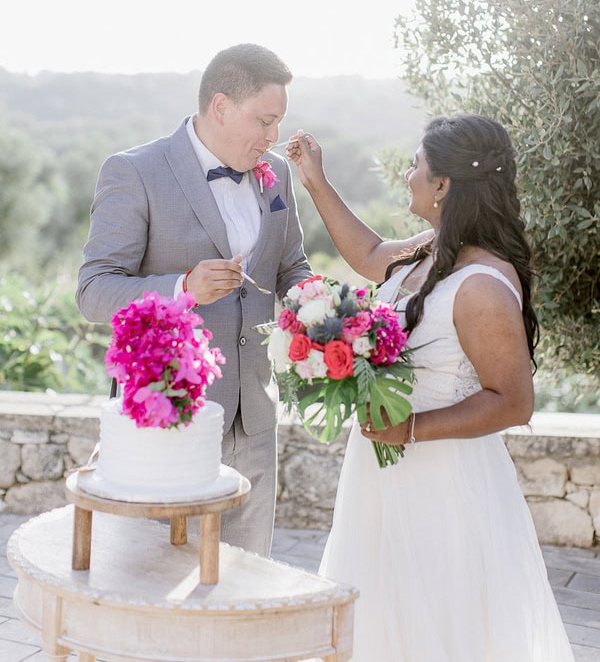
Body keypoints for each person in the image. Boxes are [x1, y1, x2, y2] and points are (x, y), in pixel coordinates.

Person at [287, 114, 574, 661]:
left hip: (444, 485)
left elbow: (514, 401)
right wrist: (315, 181)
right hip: (381, 474)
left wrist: (411, 428)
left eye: (415, 166)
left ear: (443, 185)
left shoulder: (483, 284)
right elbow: (370, 257)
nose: (407, 175)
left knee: (439, 626)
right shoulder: (434, 246)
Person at [76, 43, 312, 557]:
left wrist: (316, 310)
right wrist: (182, 289)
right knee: (156, 582)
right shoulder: (135, 171)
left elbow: (291, 264)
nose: (275, 137)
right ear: (222, 106)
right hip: (169, 424)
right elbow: (94, 291)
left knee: (245, 583)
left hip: (255, 422)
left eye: (279, 123)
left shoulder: (277, 175)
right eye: (265, 121)